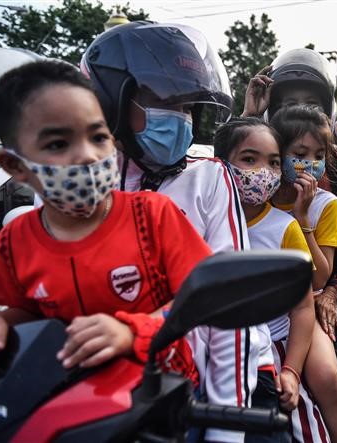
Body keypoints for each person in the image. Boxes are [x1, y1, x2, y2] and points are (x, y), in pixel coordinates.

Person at [82, 22, 268, 443]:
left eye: (186, 107)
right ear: (111, 100)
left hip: (199, 391)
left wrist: (225, 426)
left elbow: (229, 308)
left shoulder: (207, 177)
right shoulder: (77, 183)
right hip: (99, 394)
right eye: (159, 99)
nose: (180, 120)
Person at [0, 60, 208, 384]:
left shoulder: (155, 215)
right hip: (70, 404)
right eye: (58, 143)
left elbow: (201, 296)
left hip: (162, 403)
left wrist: (133, 331)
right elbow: (27, 312)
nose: (87, 155)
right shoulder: (13, 241)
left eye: (98, 136)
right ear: (15, 166)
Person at [244, 49, 337, 443]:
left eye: (311, 102)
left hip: (328, 281)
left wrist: (332, 291)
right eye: (289, 102)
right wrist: (249, 112)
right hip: (271, 291)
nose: (301, 109)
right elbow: (230, 162)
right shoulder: (260, 176)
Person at [214, 117, 327, 443]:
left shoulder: (285, 228)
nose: (262, 171)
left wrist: (291, 372)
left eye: (274, 162)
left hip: (275, 350)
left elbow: (303, 307)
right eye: (249, 160)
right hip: (221, 354)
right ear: (221, 165)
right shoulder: (207, 219)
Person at [269, 106, 337, 443]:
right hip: (265, 301)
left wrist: (302, 218)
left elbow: (320, 278)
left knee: (327, 376)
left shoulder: (326, 203)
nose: (311, 163)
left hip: (306, 303)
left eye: (319, 155)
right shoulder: (259, 194)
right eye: (300, 154)